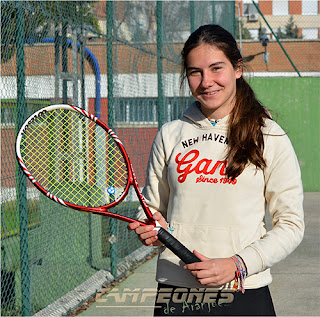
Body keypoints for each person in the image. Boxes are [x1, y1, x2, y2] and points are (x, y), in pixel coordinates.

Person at [128, 24, 304, 316]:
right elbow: (151, 208)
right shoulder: (170, 134)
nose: (206, 81)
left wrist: (238, 264)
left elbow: (291, 224)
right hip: (177, 292)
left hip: (244, 291)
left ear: (237, 69)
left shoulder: (269, 136)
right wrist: (146, 226)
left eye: (216, 68)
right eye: (195, 72)